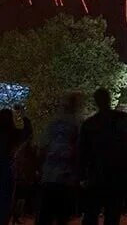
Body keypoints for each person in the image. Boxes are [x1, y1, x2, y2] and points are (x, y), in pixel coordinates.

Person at [79, 88, 127, 225]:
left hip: (96, 174)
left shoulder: (90, 123)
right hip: (117, 173)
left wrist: (82, 174)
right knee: (112, 213)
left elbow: (82, 151)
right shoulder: (123, 118)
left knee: (92, 213)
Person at [38, 93, 82, 225]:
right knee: (62, 216)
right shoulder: (78, 124)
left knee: (45, 216)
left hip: (49, 175)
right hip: (66, 177)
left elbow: (42, 148)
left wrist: (40, 169)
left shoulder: (53, 123)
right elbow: (80, 150)